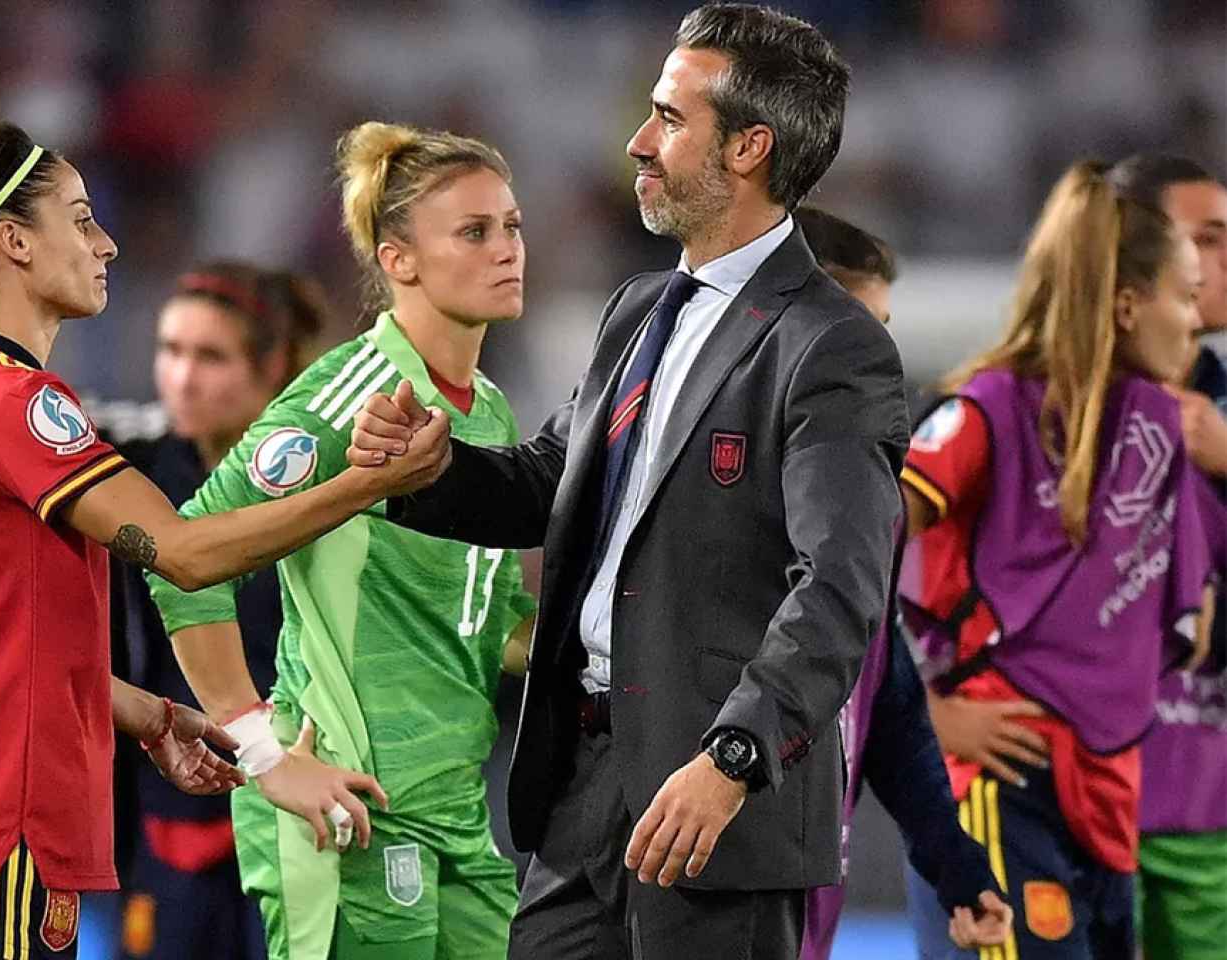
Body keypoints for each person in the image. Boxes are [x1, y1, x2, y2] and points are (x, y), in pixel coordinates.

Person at [350, 6, 911, 957]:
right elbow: (553, 484)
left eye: (669, 118)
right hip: (587, 779)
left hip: (714, 803)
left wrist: (735, 758)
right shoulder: (640, 308)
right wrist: (434, 470)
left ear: (749, 149)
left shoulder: (831, 346)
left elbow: (840, 588)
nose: (638, 142)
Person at [0, 105, 442, 960]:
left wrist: (150, 713)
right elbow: (188, 554)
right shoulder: (16, 402)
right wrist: (368, 483)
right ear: (13, 241)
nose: (107, 244)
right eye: (81, 220)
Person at [146, 121, 538, 959]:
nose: (508, 248)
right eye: (474, 231)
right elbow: (186, 562)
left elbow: (492, 622)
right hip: (351, 802)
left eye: (510, 225)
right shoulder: (345, 397)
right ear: (399, 261)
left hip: (455, 808)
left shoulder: (493, 411)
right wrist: (260, 749)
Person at [897, 161, 1219, 960]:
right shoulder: (988, 412)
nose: (1194, 320)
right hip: (1011, 785)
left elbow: (1196, 628)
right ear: (1125, 303)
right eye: (1184, 296)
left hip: (1113, 795)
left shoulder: (1164, 429)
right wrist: (917, 709)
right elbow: (846, 551)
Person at [789, 207, 1012, 960]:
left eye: (885, 328)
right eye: (861, 323)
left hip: (808, 896)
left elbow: (884, 695)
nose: (878, 353)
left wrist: (956, 866)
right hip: (698, 883)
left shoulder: (863, 497)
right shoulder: (719, 488)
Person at [111, 262, 328, 960]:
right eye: (171, 351)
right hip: (173, 818)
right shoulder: (131, 473)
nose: (182, 378)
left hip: (297, 810)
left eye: (211, 356)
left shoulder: (331, 481)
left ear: (274, 367)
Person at [1106, 154, 1227, 960]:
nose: (1218, 266)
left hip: (1211, 814)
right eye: (1206, 239)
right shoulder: (1034, 411)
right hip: (1066, 804)